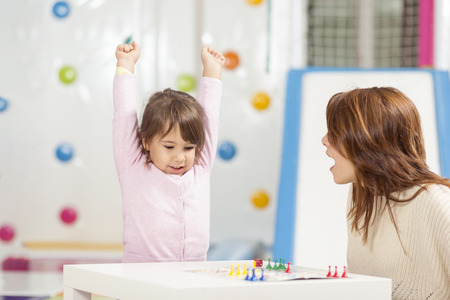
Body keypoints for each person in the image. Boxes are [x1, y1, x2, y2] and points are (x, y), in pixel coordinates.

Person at [321, 87, 450, 300]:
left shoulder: (435, 202)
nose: (324, 140)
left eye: (334, 133)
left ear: (368, 141)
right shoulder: (362, 196)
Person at [113, 41, 225, 263]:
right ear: (146, 141)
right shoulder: (133, 166)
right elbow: (124, 115)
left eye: (188, 147)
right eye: (169, 147)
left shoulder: (200, 167)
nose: (180, 157)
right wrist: (125, 65)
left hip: (193, 273)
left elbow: (209, 119)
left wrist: (213, 69)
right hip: (142, 275)